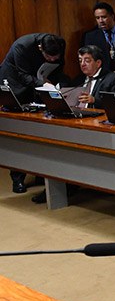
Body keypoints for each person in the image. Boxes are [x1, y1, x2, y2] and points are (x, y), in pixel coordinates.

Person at [29, 44, 115, 205]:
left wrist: (95, 100)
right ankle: (61, 185)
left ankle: (71, 184)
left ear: (98, 63)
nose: (82, 64)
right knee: (57, 147)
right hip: (78, 124)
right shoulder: (78, 79)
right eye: (80, 60)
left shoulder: (112, 78)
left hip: (102, 129)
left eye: (87, 60)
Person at [0, 33, 66, 194]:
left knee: (43, 128)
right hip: (16, 83)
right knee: (21, 131)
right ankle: (17, 178)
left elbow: (59, 65)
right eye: (48, 57)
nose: (52, 59)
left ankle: (42, 172)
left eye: (54, 56)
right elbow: (22, 75)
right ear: (39, 48)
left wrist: (54, 86)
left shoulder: (60, 43)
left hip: (42, 81)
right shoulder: (22, 46)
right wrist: (42, 83)